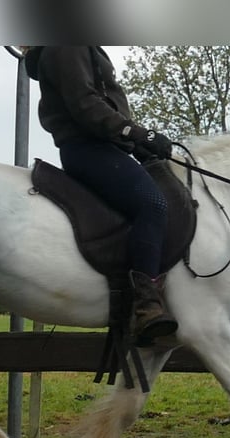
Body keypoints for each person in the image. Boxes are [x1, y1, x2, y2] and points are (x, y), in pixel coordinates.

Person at [23, 46, 178, 345]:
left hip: (104, 148)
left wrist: (134, 143)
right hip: (87, 149)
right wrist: (137, 134)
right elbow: (85, 104)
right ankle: (145, 305)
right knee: (153, 204)